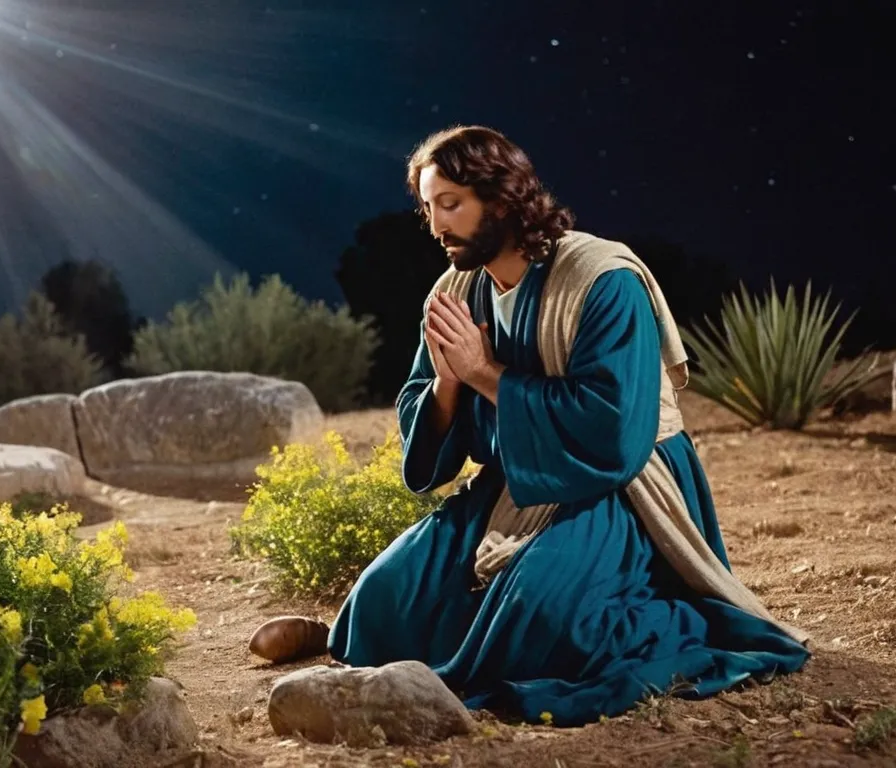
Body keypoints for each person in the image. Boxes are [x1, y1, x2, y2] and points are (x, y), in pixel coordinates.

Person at [322, 125, 812, 726]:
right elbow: (426, 416)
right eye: (427, 207)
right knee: (382, 599)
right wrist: (451, 382)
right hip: (515, 482)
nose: (435, 225)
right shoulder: (456, 290)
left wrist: (483, 372)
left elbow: (610, 430)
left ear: (500, 200)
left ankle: (679, 616)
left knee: (544, 621)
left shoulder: (603, 281)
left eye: (450, 203)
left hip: (619, 486)